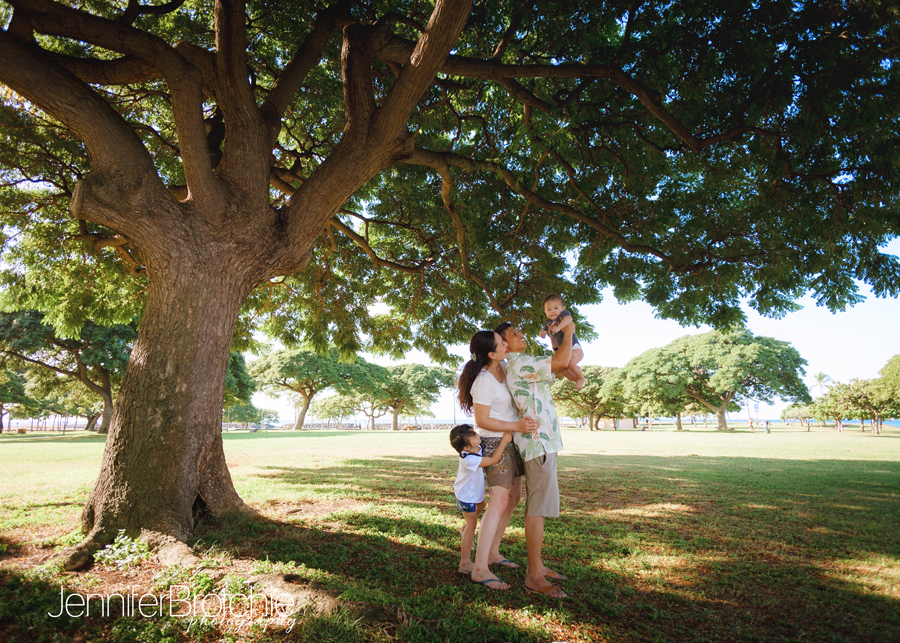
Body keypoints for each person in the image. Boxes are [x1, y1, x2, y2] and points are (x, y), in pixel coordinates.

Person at [496, 319, 575, 598]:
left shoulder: (522, 364)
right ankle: (533, 575)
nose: (521, 335)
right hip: (538, 443)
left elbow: (562, 366)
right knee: (537, 509)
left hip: (543, 441)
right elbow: (562, 360)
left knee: (538, 506)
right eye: (514, 334)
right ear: (505, 346)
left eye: (519, 331)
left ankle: (538, 566)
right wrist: (569, 331)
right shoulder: (519, 363)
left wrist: (558, 339)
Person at [457, 330, 538, 590]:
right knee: (499, 501)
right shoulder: (483, 380)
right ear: (491, 354)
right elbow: (481, 420)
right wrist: (515, 426)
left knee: (513, 499)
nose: (506, 344)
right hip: (495, 442)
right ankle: (480, 569)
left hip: (513, 440)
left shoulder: (505, 368)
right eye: (502, 343)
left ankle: (493, 553)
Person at [449, 425, 512, 578]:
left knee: (483, 505)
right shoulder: (468, 459)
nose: (477, 435)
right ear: (466, 447)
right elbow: (493, 460)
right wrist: (504, 441)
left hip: (473, 493)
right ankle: (464, 562)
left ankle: (465, 528)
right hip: (466, 496)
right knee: (472, 526)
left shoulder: (475, 448)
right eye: (473, 435)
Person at [539, 294, 585, 389]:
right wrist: (542, 332)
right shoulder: (548, 322)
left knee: (571, 364)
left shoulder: (562, 315)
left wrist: (559, 327)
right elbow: (544, 330)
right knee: (563, 369)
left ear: (563, 308)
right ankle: (577, 380)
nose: (553, 311)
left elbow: (569, 319)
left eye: (556, 308)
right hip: (564, 352)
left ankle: (581, 378)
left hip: (574, 348)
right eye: (549, 309)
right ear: (545, 311)